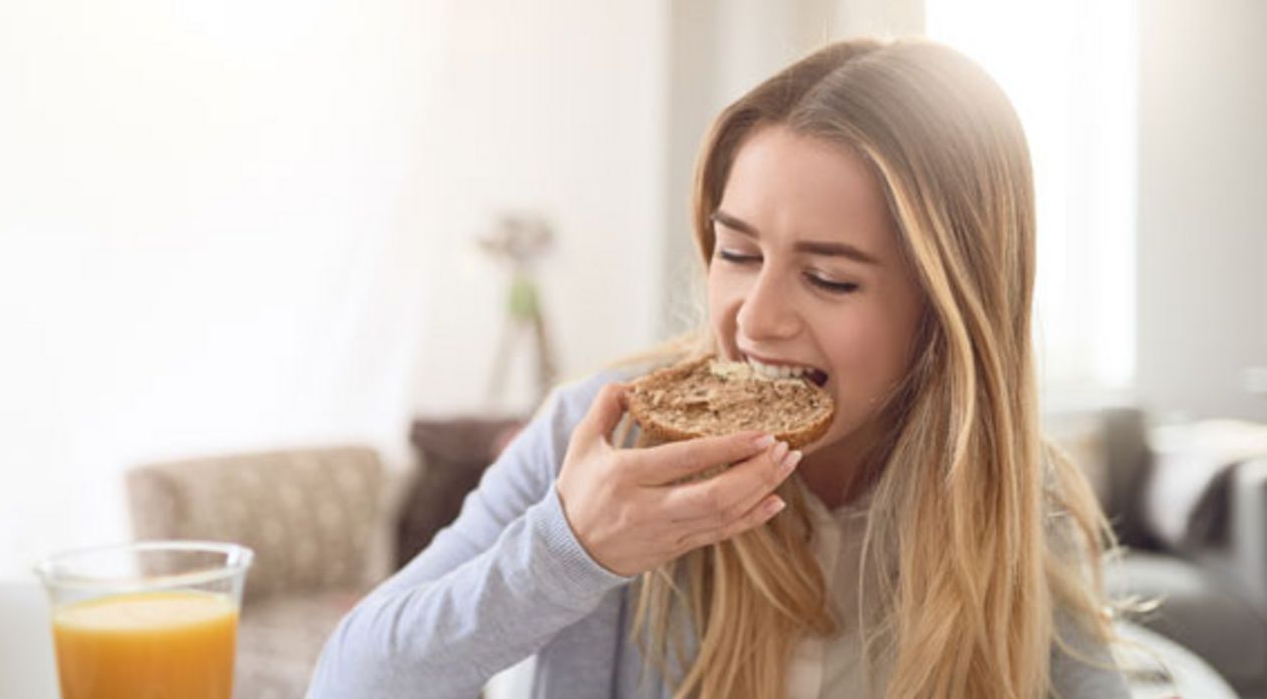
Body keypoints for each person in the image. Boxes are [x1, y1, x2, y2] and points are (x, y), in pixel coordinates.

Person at [306, 37, 1129, 698]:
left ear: (947, 309)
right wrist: (569, 550)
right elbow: (349, 682)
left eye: (828, 277)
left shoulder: (1012, 494)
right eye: (735, 251)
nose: (754, 318)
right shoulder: (605, 434)